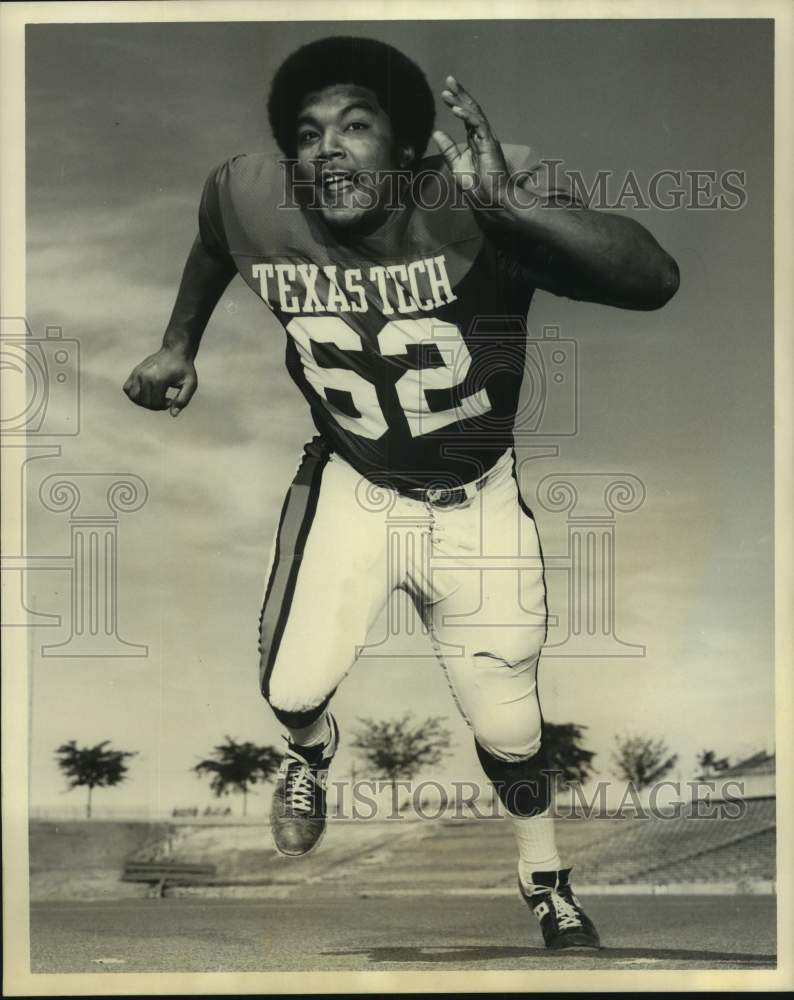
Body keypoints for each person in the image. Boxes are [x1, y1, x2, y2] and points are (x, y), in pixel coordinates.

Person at [124, 36, 679, 951]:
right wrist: (180, 342)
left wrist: (511, 204)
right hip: (357, 480)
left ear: (410, 146)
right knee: (291, 685)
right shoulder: (251, 196)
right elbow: (212, 242)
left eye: (355, 125)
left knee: (509, 728)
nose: (327, 149)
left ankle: (546, 883)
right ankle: (311, 753)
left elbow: (653, 280)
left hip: (478, 502)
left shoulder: (478, 210)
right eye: (307, 133)